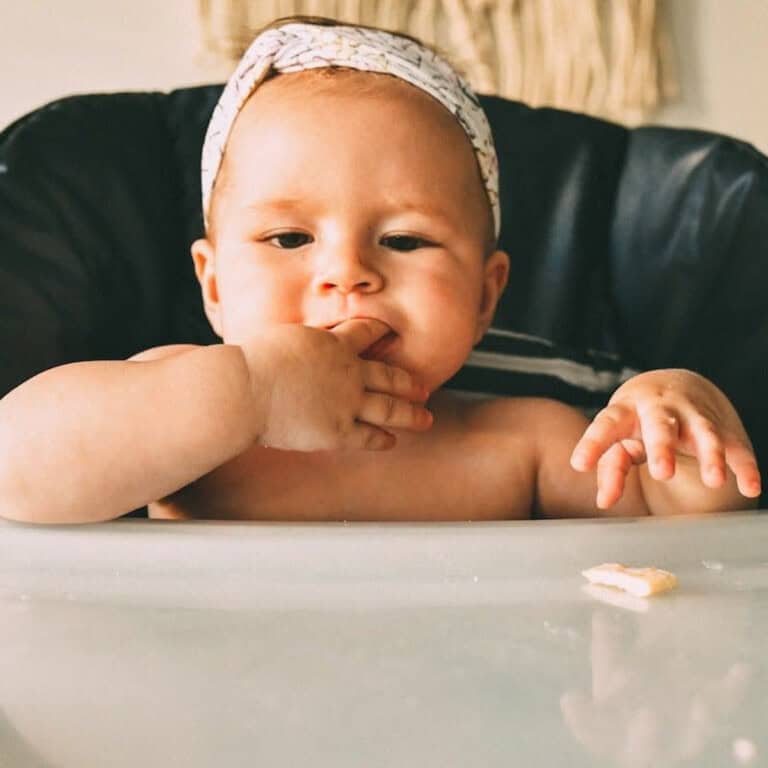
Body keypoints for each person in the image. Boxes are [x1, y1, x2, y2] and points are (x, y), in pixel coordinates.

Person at [0, 17, 760, 524]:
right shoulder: (183, 410)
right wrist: (250, 392)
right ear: (215, 287)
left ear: (486, 294)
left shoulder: (524, 433)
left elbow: (690, 532)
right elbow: (16, 471)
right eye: (290, 237)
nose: (348, 273)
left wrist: (678, 417)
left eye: (404, 241)